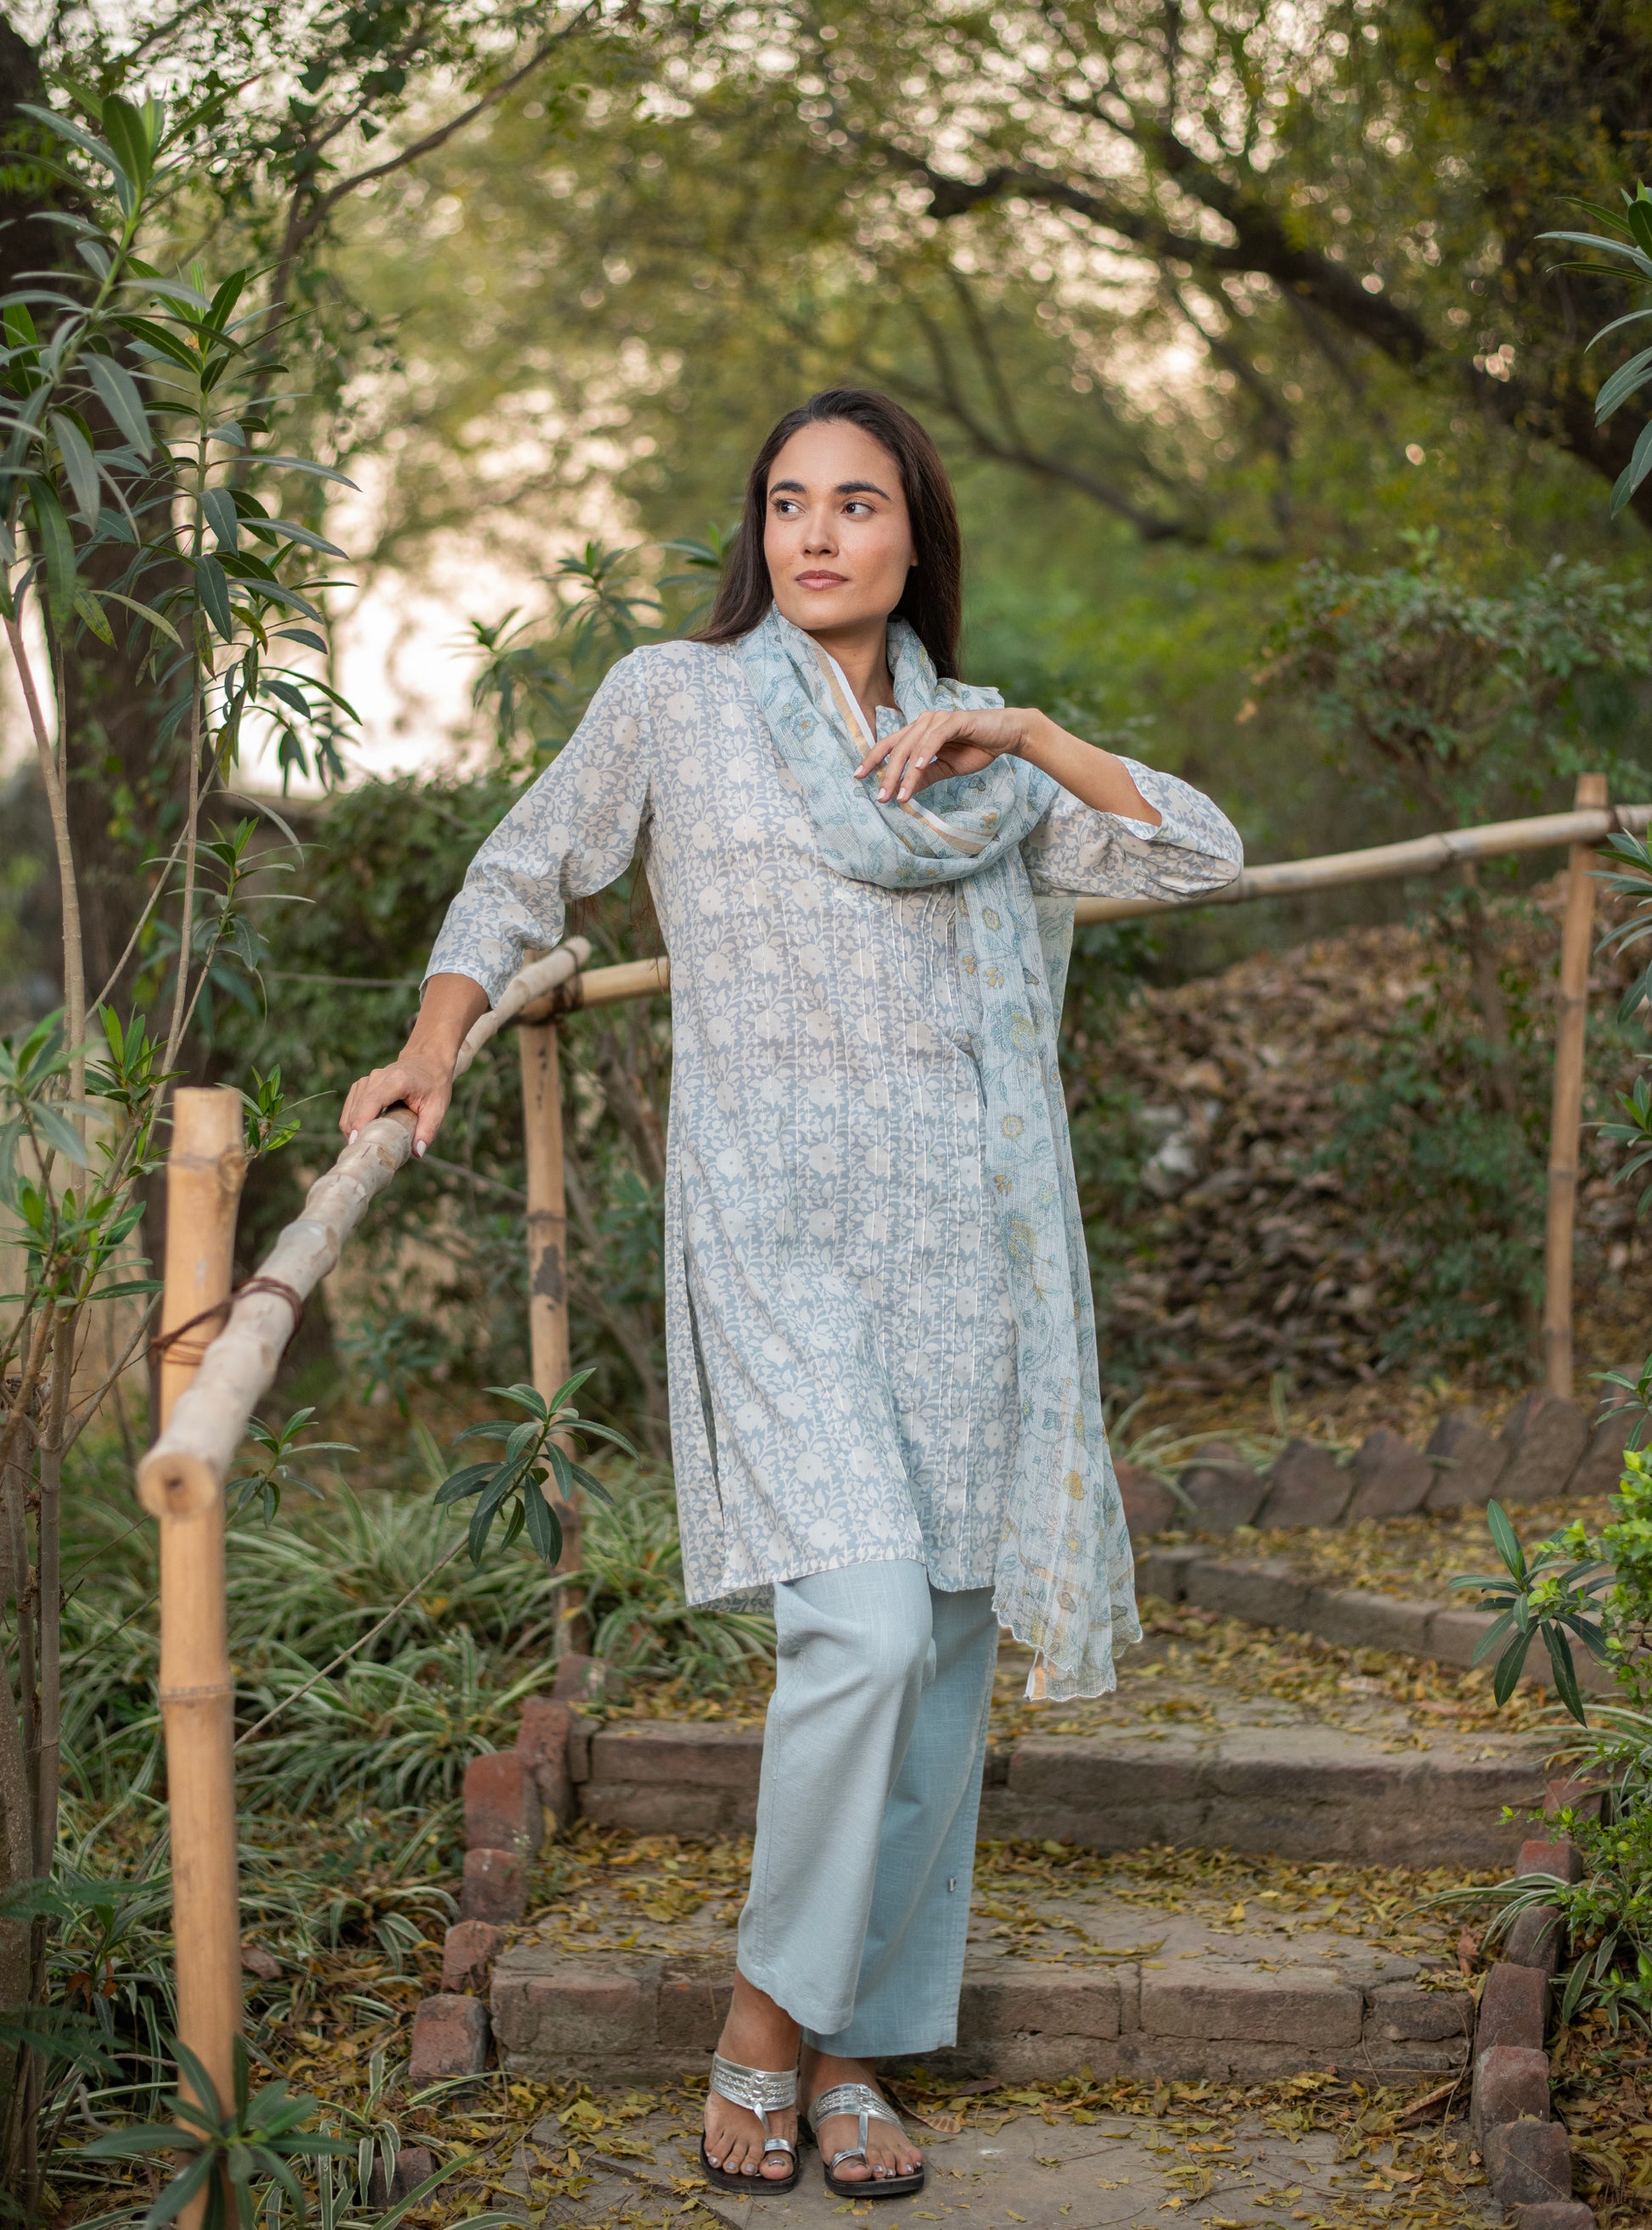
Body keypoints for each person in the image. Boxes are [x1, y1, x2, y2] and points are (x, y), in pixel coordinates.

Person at [340, 388, 1242, 2199]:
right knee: (868, 1633)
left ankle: (857, 2054)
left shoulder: (973, 759)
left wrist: (1024, 730)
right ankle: (766, 2017)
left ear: (915, 535)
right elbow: (524, 869)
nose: (815, 533)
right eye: (785, 503)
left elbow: (1197, 853)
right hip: (776, 1232)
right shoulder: (669, 702)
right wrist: (434, 1042)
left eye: (855, 503)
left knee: (941, 1668)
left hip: (968, 1249)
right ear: (756, 532)